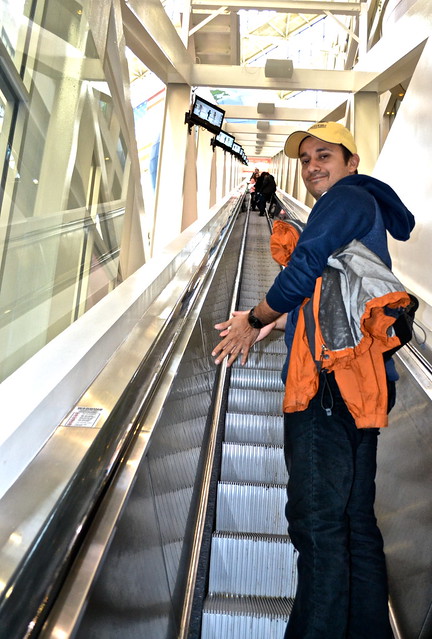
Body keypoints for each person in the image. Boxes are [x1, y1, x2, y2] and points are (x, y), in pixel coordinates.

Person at [211, 122, 415, 639]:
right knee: (353, 526)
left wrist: (253, 318)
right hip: (357, 383)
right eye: (304, 160)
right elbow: (329, 289)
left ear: (352, 161)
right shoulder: (361, 206)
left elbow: (303, 269)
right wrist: (280, 321)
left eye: (324, 155)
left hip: (325, 384)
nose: (311, 167)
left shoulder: (344, 200)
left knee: (318, 527)